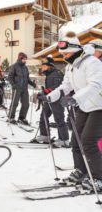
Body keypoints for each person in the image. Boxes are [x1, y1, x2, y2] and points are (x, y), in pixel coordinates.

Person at [44, 32, 102, 191]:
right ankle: (81, 171)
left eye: (66, 53)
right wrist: (50, 96)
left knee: (88, 141)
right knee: (76, 141)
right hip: (85, 106)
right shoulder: (71, 66)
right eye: (62, 54)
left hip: (99, 107)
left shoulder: (92, 63)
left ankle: (98, 177)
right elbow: (65, 87)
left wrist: (76, 98)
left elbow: (95, 85)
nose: (64, 56)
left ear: (76, 49)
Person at [34, 56, 69, 148]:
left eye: (44, 66)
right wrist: (43, 93)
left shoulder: (57, 74)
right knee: (43, 116)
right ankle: (45, 135)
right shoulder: (49, 74)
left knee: (59, 119)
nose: (42, 68)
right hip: (48, 99)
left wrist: (46, 91)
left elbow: (57, 87)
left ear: (50, 66)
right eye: (42, 66)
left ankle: (64, 139)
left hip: (57, 100)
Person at [7, 52, 37, 125]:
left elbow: (27, 78)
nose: (25, 60)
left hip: (24, 88)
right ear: (20, 58)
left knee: (26, 104)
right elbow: (10, 77)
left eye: (25, 59)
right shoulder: (14, 66)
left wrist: (32, 84)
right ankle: (11, 117)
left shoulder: (25, 68)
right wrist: (13, 84)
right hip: (17, 88)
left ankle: (22, 118)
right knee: (15, 103)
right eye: (23, 59)